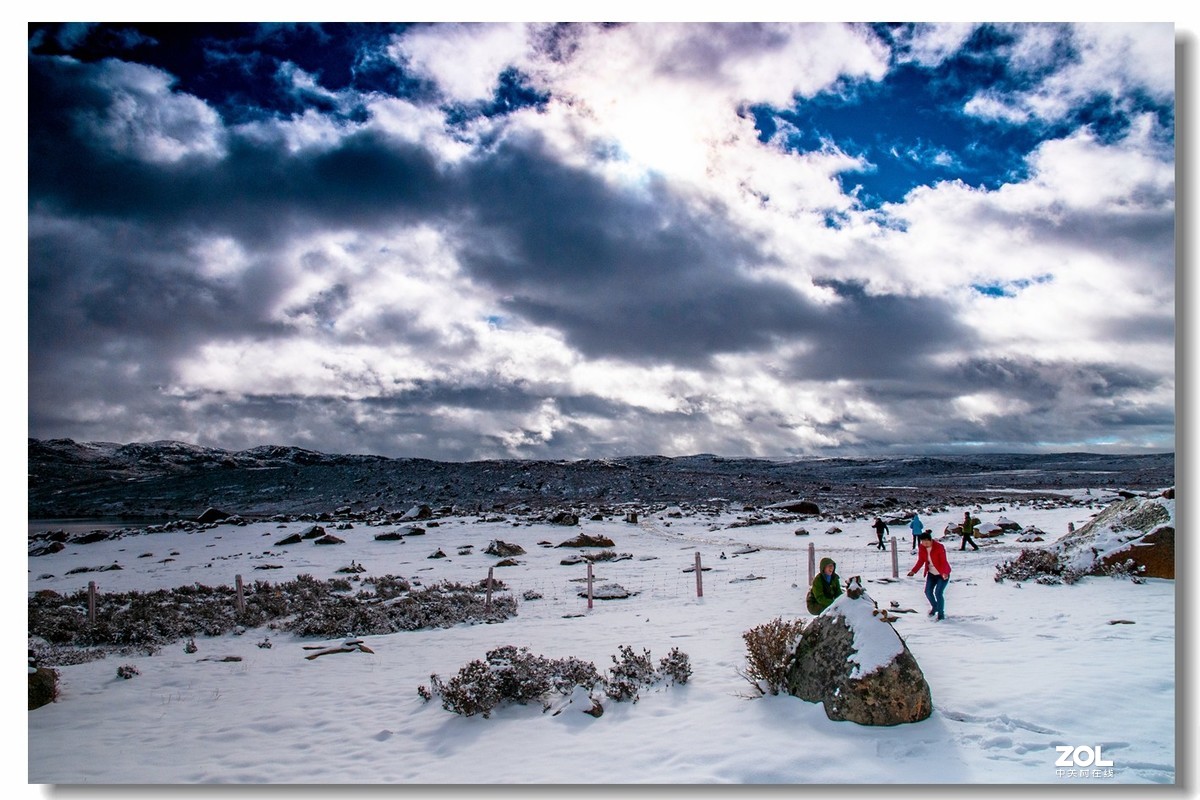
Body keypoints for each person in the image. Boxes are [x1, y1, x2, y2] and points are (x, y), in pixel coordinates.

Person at [907, 531, 951, 620]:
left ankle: (941, 614)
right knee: (928, 592)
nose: (925, 544)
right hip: (931, 574)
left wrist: (944, 573)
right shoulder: (922, 548)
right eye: (923, 542)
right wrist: (913, 571)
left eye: (927, 541)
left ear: (931, 540)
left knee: (938, 593)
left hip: (942, 574)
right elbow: (921, 560)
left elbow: (943, 561)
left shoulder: (939, 547)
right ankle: (935, 607)